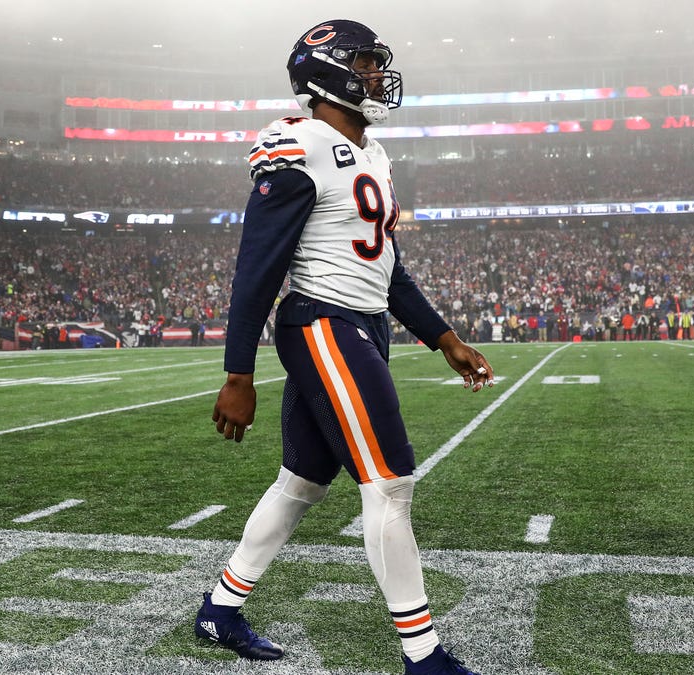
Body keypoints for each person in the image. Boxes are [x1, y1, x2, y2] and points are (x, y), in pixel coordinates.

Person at [194, 20, 492, 675]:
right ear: (325, 71)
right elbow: (257, 265)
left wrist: (443, 337)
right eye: (363, 64)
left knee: (302, 480)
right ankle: (423, 654)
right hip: (321, 323)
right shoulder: (297, 145)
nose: (376, 76)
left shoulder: (374, 154)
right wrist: (237, 371)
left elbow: (388, 266)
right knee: (389, 483)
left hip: (361, 325)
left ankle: (221, 606)